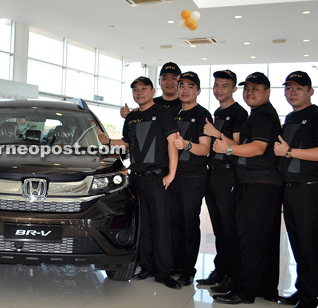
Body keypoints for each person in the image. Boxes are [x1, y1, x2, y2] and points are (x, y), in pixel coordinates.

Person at [97, 76, 180, 289]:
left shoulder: (162, 113)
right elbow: (127, 144)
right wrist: (109, 142)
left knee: (161, 225)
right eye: (136, 90)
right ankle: (146, 266)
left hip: (158, 178)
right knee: (143, 225)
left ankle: (164, 272)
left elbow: (172, 142)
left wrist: (171, 173)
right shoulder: (131, 118)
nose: (139, 93)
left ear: (152, 91)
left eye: (144, 89)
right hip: (137, 179)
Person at [212, 72, 282, 305]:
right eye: (247, 88)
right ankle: (265, 287)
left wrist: (228, 150)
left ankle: (245, 291)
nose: (250, 93)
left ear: (267, 92)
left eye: (256, 89)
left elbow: (257, 148)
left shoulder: (262, 115)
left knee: (250, 240)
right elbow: (246, 145)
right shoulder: (258, 114)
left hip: (258, 183)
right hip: (260, 183)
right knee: (263, 240)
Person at [273, 71, 318, 308]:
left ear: (310, 91)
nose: (293, 92)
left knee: (309, 244)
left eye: (298, 88)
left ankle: (310, 298)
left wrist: (289, 152)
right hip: (290, 190)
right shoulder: (289, 117)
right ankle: (301, 290)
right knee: (297, 244)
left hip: (310, 189)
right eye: (288, 88)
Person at [197, 70, 248, 290]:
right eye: (217, 85)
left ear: (234, 88)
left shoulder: (239, 112)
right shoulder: (217, 111)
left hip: (228, 173)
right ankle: (221, 270)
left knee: (229, 227)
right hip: (213, 172)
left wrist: (216, 132)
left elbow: (236, 146)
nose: (219, 89)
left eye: (225, 86)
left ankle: (233, 275)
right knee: (217, 227)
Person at [168, 71, 212, 286]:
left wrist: (186, 144)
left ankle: (188, 269)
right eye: (181, 85)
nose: (184, 89)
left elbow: (205, 149)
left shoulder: (203, 114)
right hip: (173, 176)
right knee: (174, 223)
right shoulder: (173, 113)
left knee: (188, 223)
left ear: (198, 91)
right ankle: (176, 264)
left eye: (190, 86)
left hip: (193, 176)